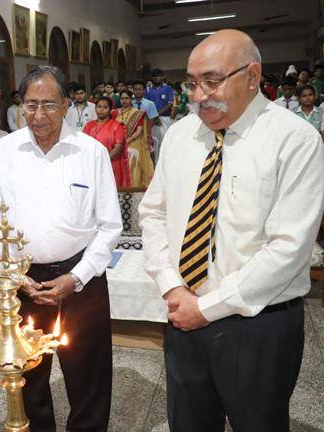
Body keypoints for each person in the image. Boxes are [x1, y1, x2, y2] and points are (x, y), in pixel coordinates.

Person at [139, 30, 324, 432]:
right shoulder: (180, 136)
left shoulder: (294, 140)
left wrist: (207, 308)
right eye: (191, 83)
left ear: (252, 76)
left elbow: (289, 247)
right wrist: (172, 287)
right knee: (189, 423)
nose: (199, 96)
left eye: (212, 81)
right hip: (183, 313)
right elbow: (152, 214)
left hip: (258, 324)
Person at [0, 65, 122, 432]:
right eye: (31, 105)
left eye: (49, 104)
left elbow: (109, 226)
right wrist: (14, 275)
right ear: (20, 106)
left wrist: (77, 277)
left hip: (81, 280)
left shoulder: (90, 152)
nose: (39, 115)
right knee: (28, 377)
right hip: (22, 282)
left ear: (66, 105)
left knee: (88, 376)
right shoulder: (5, 151)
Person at [83, 96, 131, 188]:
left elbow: (118, 148)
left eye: (105, 107)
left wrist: (104, 160)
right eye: (99, 107)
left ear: (110, 110)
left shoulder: (116, 126)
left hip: (110, 164)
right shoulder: (89, 126)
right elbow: (83, 145)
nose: (101, 110)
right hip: (91, 164)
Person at [117, 89, 155, 188]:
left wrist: (128, 140)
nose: (124, 101)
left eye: (127, 98)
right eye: (122, 98)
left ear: (131, 99)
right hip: (118, 141)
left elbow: (139, 131)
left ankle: (134, 186)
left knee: (134, 154)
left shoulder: (138, 113)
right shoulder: (114, 113)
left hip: (134, 140)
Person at [147, 69, 175, 159]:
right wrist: (154, 116)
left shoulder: (168, 88)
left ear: (163, 77)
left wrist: (156, 114)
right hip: (151, 119)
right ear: (151, 78)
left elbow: (170, 104)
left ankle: (165, 162)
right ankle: (154, 164)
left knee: (165, 143)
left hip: (164, 119)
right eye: (155, 76)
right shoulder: (148, 90)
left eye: (159, 75)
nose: (157, 78)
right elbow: (146, 104)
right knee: (153, 143)